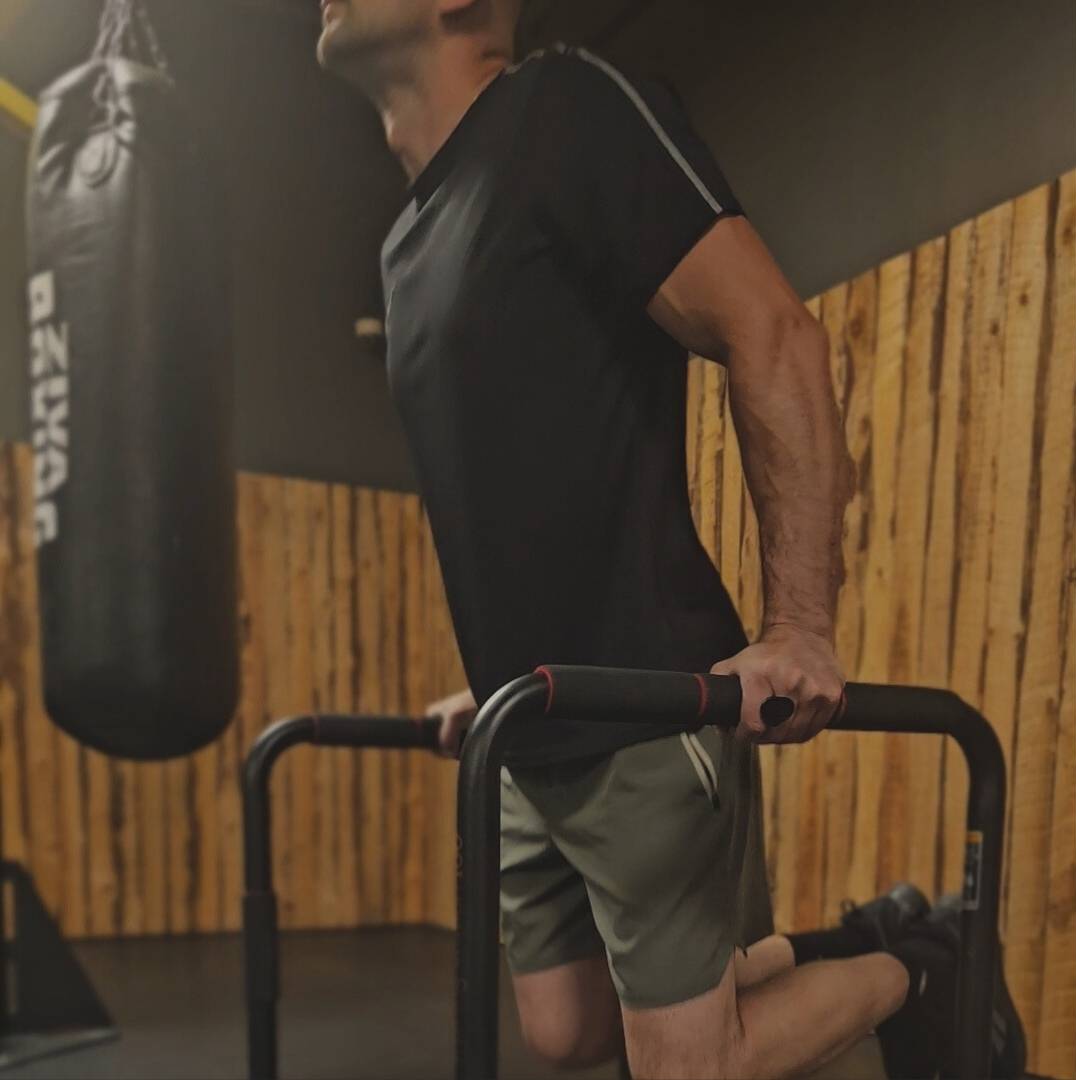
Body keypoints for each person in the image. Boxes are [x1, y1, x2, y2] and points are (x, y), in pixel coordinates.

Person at [315, 2, 1022, 1076]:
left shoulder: (563, 111)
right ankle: (861, 940)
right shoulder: (405, 242)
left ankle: (924, 968)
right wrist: (496, 673)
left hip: (642, 704)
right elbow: (505, 482)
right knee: (566, 1031)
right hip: (535, 721)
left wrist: (800, 626)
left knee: (691, 1065)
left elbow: (772, 330)